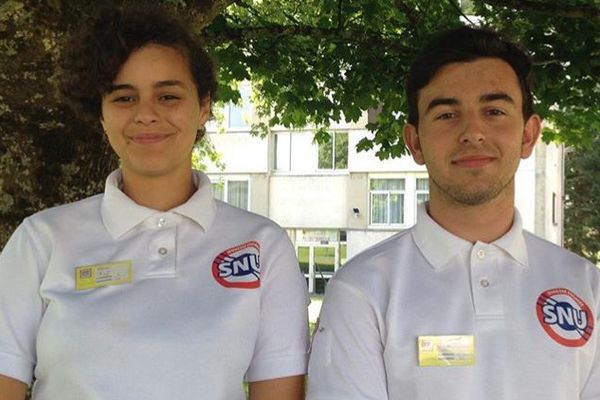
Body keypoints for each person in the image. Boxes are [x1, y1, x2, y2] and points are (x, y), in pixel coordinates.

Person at [0, 7, 308, 400]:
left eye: (168, 95)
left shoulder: (264, 246)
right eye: (124, 97)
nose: (146, 114)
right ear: (102, 114)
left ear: (204, 108)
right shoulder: (40, 241)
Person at [307, 26, 600, 399]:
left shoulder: (586, 287)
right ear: (415, 142)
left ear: (528, 135)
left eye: (494, 111)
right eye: (447, 115)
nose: (473, 132)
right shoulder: (363, 290)